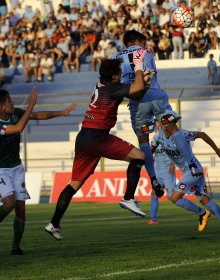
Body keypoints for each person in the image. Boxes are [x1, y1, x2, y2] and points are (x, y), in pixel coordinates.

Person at [44, 53, 149, 241]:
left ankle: (54, 223)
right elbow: (138, 88)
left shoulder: (101, 85)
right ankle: (128, 198)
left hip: (83, 137)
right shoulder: (112, 88)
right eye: (119, 72)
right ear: (115, 76)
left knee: (73, 184)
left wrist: (140, 78)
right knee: (139, 156)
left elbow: (135, 90)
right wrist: (139, 65)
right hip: (98, 137)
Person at [112, 30, 200, 199]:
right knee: (173, 130)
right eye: (143, 41)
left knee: (143, 140)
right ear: (137, 40)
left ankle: (153, 179)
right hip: (154, 95)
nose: (145, 44)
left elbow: (119, 83)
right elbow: (150, 74)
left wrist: (134, 93)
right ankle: (191, 165)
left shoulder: (117, 57)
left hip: (137, 103)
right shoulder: (145, 52)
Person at [0, 88, 76, 255]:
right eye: (9, 101)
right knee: (9, 203)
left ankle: (15, 247)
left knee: (20, 208)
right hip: (1, 170)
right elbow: (18, 129)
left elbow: (38, 115)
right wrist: (30, 105)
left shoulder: (15, 114)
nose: (12, 103)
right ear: (1, 106)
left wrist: (61, 112)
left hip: (16, 168)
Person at [152, 124, 220, 236]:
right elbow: (150, 150)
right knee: (204, 200)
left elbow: (202, 134)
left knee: (174, 197)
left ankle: (202, 213)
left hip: (193, 172)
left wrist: (216, 149)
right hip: (193, 172)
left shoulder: (182, 134)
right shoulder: (159, 136)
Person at [148, 121, 176, 225]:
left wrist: (173, 164)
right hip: (157, 170)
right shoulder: (155, 138)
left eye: (158, 124)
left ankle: (199, 211)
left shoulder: (168, 136)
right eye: (156, 125)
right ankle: (153, 219)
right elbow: (154, 153)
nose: (156, 126)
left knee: (172, 197)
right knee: (154, 192)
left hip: (167, 170)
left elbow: (176, 150)